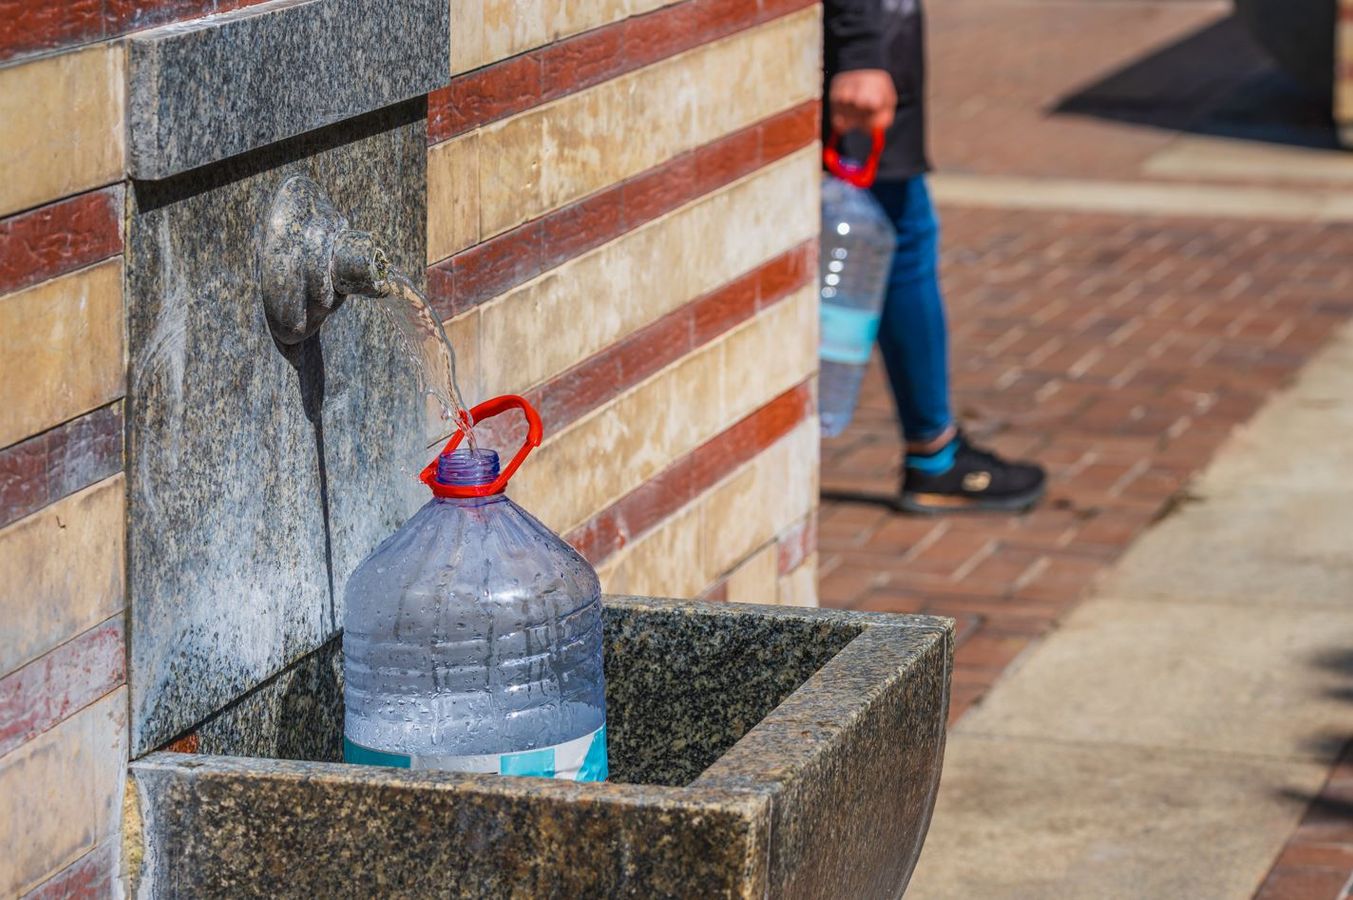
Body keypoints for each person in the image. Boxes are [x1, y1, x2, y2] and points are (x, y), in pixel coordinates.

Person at [824, 0, 1047, 514]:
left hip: (875, 43)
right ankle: (934, 457)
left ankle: (935, 453)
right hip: (861, 49)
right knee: (898, 237)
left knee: (896, 234)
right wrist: (860, 49)